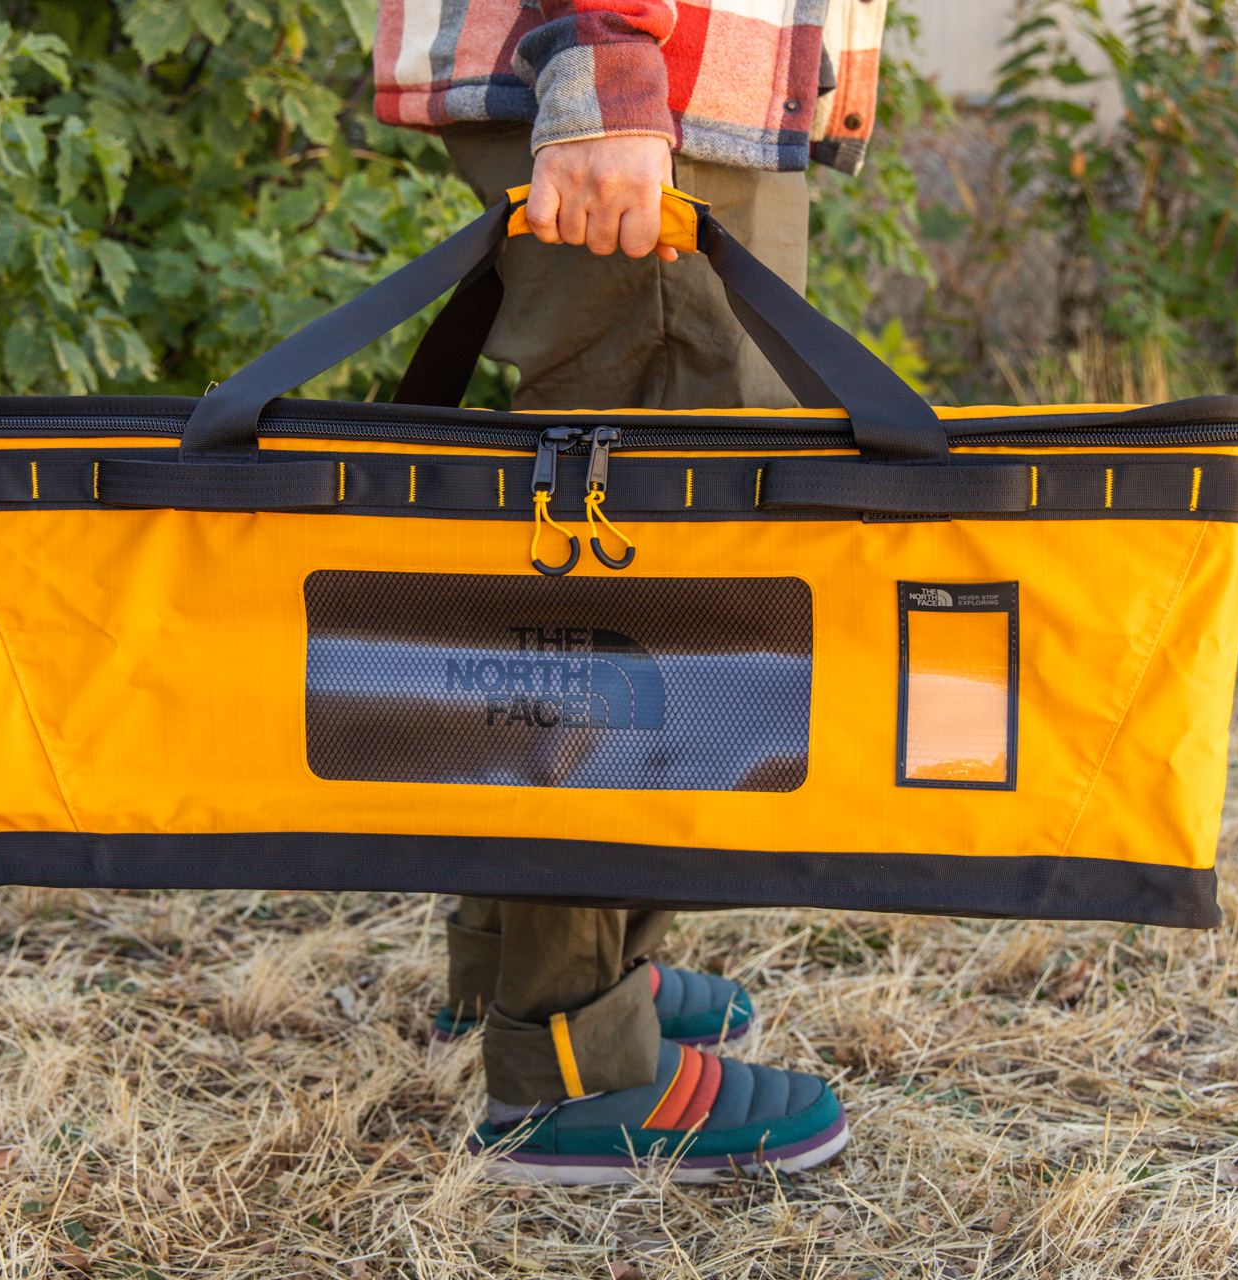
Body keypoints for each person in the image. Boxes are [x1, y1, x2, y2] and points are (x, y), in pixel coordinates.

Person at [374, 0, 889, 1183]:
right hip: (651, 72)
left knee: (595, 554)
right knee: (658, 581)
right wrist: (609, 58)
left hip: (667, 78)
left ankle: (516, 960)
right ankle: (572, 1057)